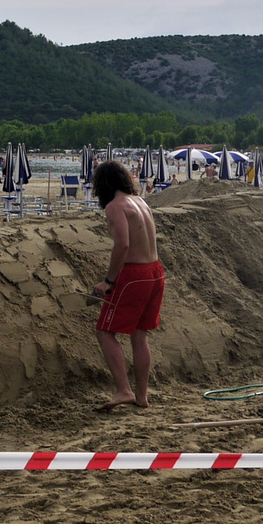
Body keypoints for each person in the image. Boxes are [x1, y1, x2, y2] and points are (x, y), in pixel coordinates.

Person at [90, 160, 162, 412]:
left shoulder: (115, 206)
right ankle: (141, 396)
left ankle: (124, 390)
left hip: (135, 274)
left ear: (103, 184)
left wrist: (109, 281)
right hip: (155, 271)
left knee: (104, 331)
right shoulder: (141, 201)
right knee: (139, 334)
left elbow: (122, 244)